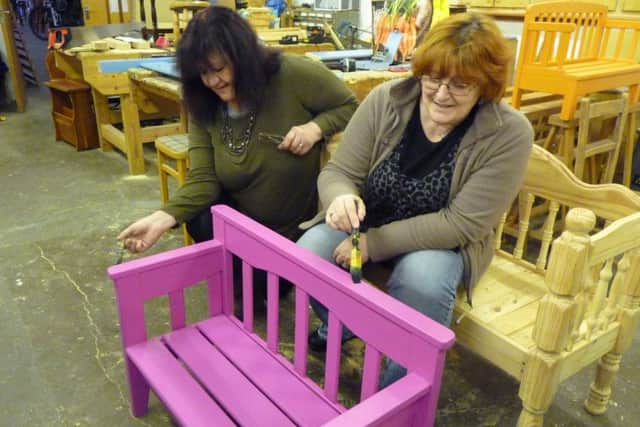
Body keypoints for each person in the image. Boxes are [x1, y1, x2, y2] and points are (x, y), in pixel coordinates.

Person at [297, 12, 533, 387]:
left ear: (485, 87)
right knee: (309, 253)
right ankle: (346, 324)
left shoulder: (508, 133)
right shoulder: (386, 100)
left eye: (460, 85)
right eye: (434, 78)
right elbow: (338, 173)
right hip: (369, 219)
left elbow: (462, 224)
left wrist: (375, 243)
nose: (441, 94)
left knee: (422, 281)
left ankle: (400, 390)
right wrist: (341, 197)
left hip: (441, 242)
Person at [118, 6, 357, 253]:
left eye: (219, 69)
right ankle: (247, 270)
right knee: (199, 218)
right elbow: (203, 178)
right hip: (242, 224)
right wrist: (161, 219)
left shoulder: (291, 74)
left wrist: (316, 128)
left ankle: (260, 272)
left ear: (243, 58)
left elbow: (350, 106)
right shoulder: (203, 102)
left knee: (267, 277)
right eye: (203, 72)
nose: (212, 82)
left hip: (291, 230)